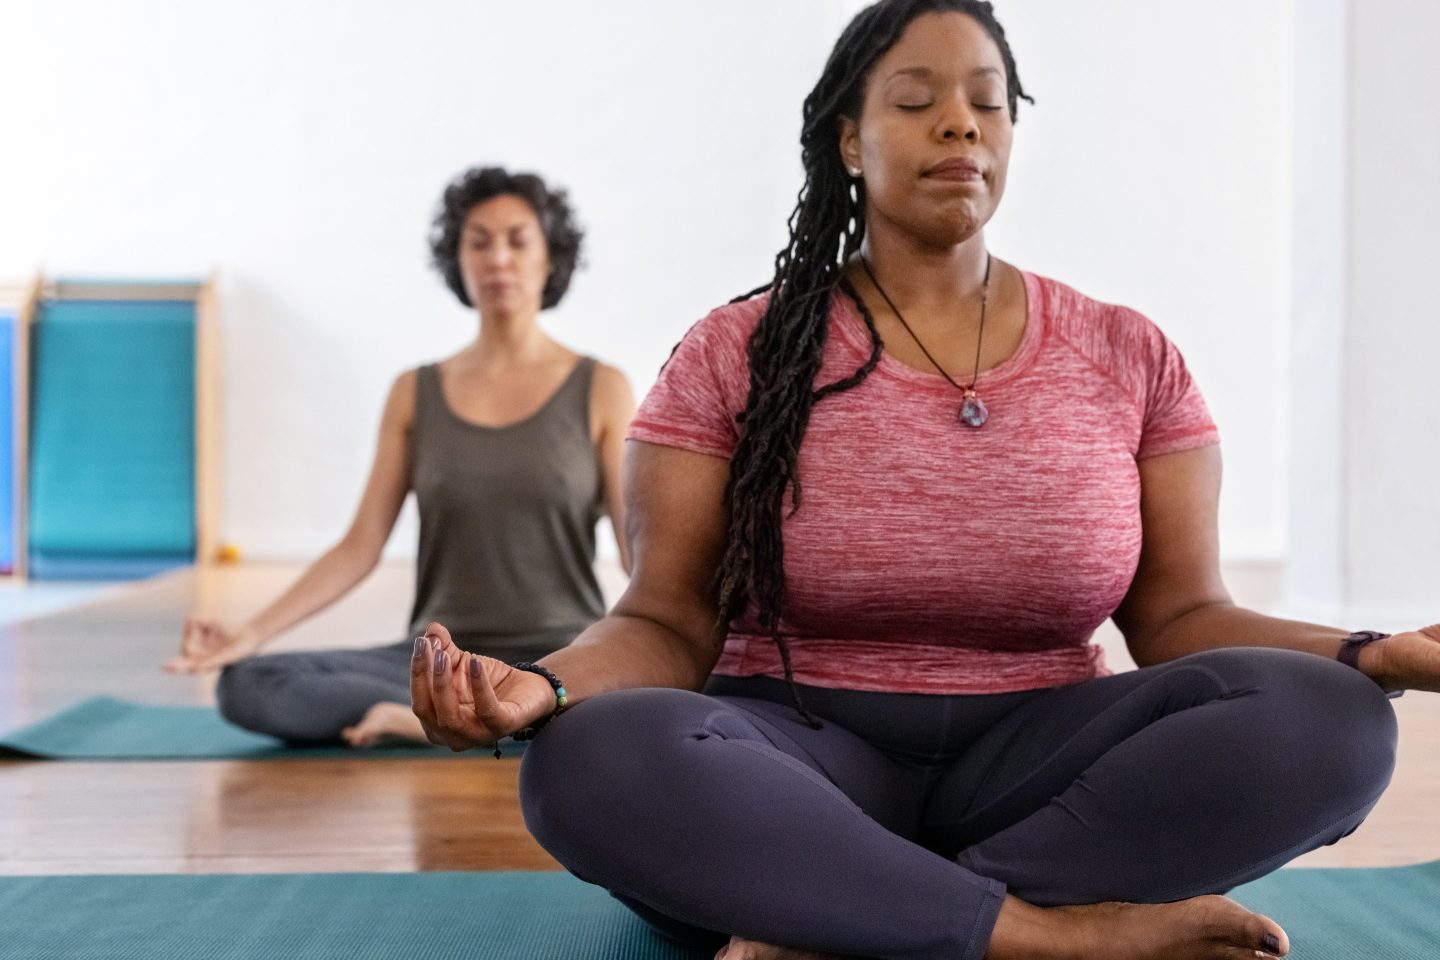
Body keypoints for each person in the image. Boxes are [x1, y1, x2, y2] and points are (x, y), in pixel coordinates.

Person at [411, 3, 1439, 958]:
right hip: (796, 758)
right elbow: (666, 623)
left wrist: (1368, 651)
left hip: (1043, 765)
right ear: (851, 141)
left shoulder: (1127, 353)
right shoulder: (734, 351)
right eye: (916, 101)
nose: (960, 125)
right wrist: (544, 688)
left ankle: (848, 916)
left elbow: (1182, 615)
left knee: (1336, 721)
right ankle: (1056, 937)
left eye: (987, 102)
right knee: (593, 758)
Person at [166, 167, 634, 748]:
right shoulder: (414, 392)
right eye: (478, 241)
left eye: (518, 240)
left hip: (559, 659)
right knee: (249, 685)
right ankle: (442, 716)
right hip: (438, 662)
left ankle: (481, 717)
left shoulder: (602, 387)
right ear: (457, 260)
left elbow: (640, 552)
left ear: (550, 257)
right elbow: (359, 547)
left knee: (647, 693)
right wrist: (248, 632)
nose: (498, 259)